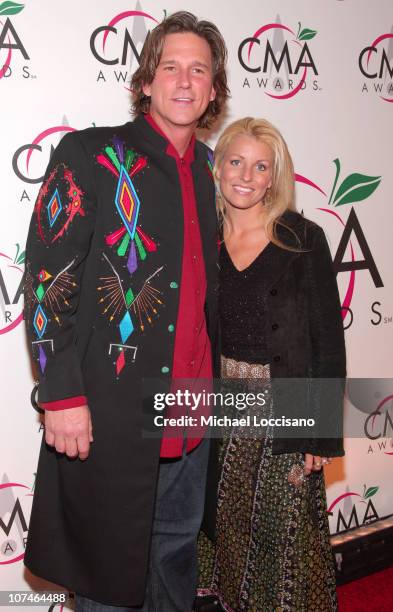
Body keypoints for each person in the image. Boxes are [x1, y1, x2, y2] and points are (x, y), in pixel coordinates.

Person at [23, 11, 229, 611]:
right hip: (111, 420)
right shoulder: (91, 155)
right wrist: (60, 394)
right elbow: (45, 283)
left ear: (214, 90)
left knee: (174, 567)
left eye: (200, 70)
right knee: (107, 582)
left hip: (193, 419)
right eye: (170, 67)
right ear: (145, 82)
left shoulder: (217, 173)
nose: (185, 81)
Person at [196, 118, 346, 612]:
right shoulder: (202, 238)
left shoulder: (304, 238)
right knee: (225, 541)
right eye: (235, 161)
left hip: (285, 415)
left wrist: (319, 435)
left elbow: (327, 341)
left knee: (281, 547)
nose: (246, 175)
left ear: (274, 176)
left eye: (261, 166)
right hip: (218, 416)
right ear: (217, 168)